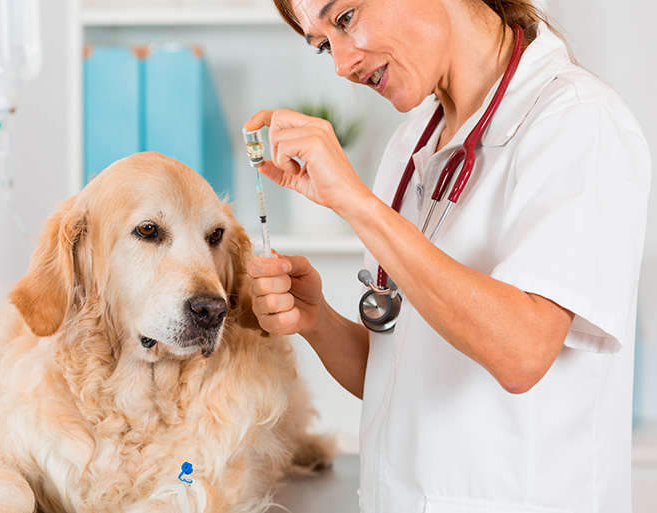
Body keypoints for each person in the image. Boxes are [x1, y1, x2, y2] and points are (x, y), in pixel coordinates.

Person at [243, 0, 651, 512]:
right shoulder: (410, 145)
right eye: (324, 44)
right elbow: (397, 377)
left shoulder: (578, 121)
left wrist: (357, 204)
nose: (342, 64)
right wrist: (317, 319)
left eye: (345, 19)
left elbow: (522, 353)